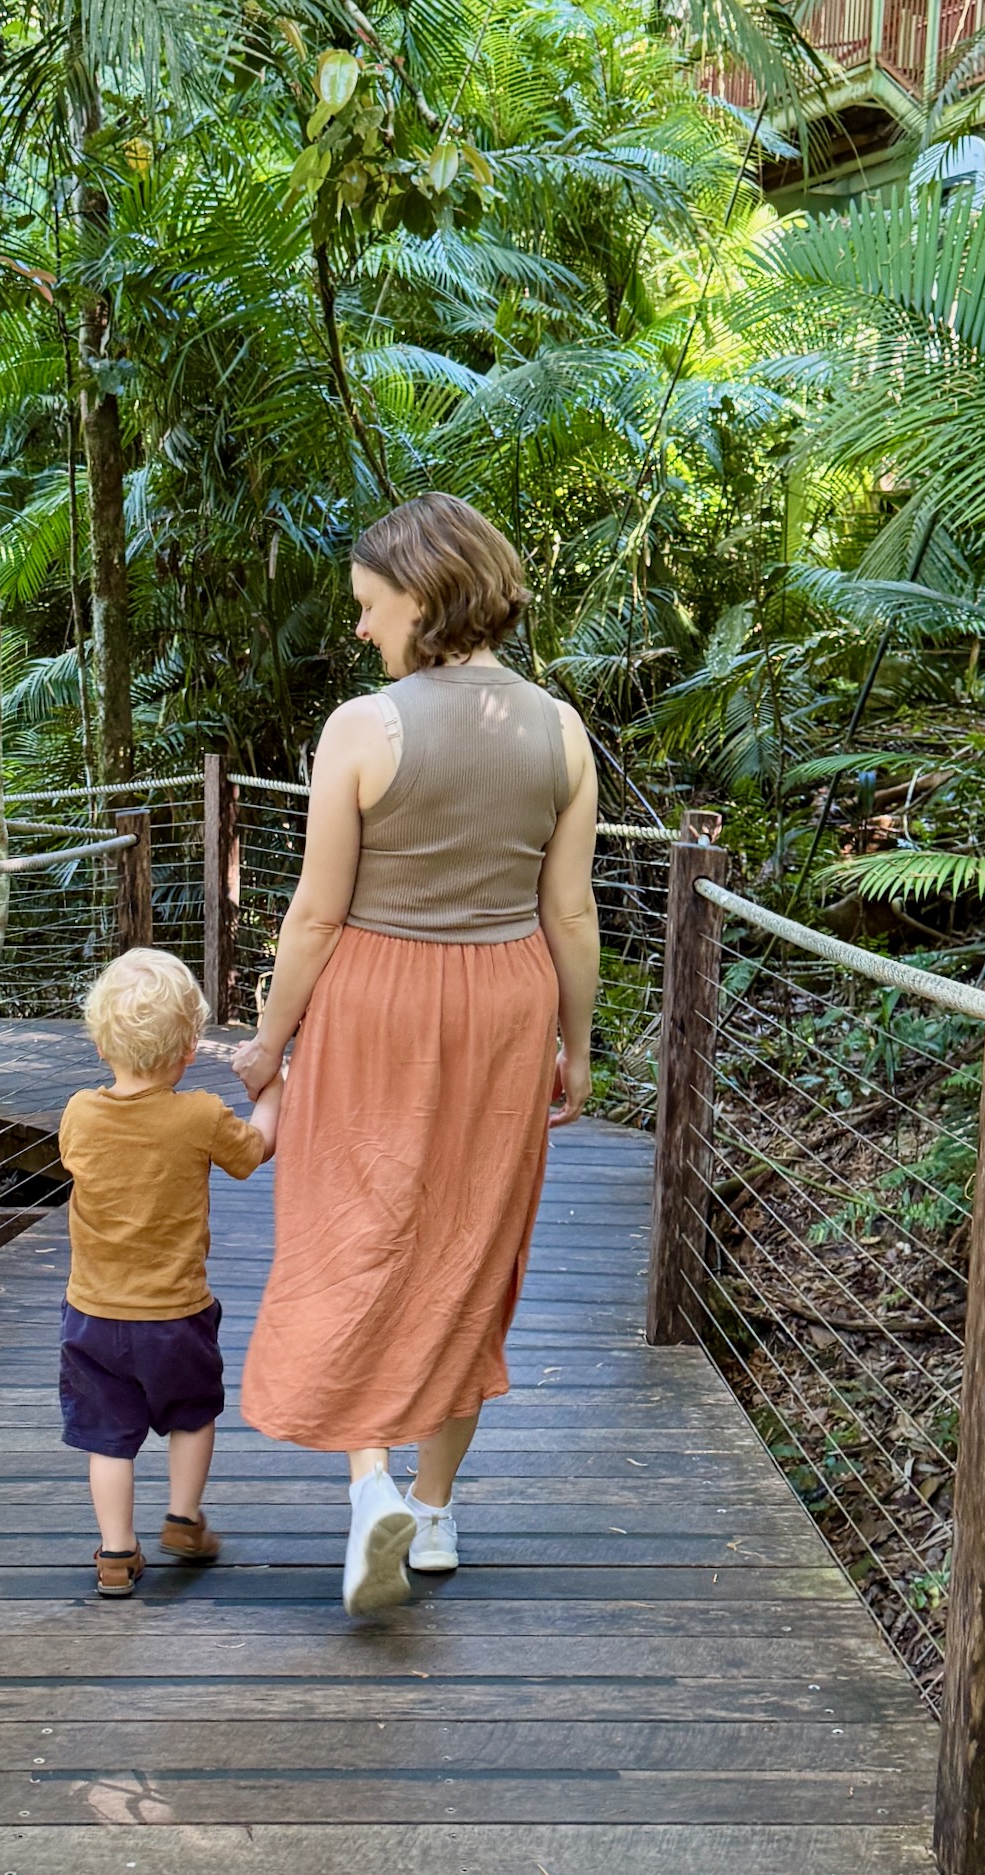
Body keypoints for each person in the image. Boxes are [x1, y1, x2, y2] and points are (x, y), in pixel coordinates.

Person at [233, 492, 599, 1616]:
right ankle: (433, 1513)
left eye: (369, 606)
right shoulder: (558, 729)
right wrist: (576, 1047)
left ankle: (369, 1481)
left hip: (376, 1002)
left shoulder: (362, 728)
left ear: (424, 597)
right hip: (503, 1005)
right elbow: (571, 912)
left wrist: (268, 1043)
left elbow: (312, 917)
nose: (358, 630)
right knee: (470, 1246)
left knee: (356, 1224)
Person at [58, 948, 284, 1598]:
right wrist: (274, 1089)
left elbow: (79, 1158)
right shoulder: (198, 1116)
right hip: (176, 1315)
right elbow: (257, 1148)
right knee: (191, 1415)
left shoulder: (79, 1113)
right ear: (189, 1048)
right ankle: (183, 1518)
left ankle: (116, 1553)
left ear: (101, 1043)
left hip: (93, 1315)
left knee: (109, 1438)